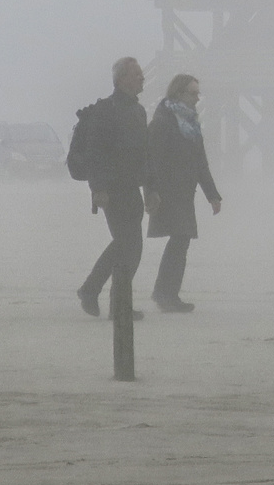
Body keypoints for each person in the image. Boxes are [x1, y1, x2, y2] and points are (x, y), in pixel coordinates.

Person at [72, 57, 156, 320]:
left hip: (131, 188)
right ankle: (103, 297)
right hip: (112, 190)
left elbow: (144, 155)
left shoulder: (138, 111)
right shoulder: (107, 111)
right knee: (127, 245)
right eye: (137, 74)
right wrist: (98, 189)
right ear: (121, 80)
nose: (142, 78)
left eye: (142, 74)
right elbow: (96, 153)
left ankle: (96, 293)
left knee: (130, 247)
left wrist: (150, 189)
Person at [145, 73, 222, 313]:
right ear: (178, 93)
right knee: (180, 238)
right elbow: (151, 160)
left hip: (184, 192)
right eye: (193, 93)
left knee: (181, 240)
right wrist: (150, 191)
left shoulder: (190, 122)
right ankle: (165, 294)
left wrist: (213, 194)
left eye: (198, 93)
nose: (198, 98)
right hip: (167, 191)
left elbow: (201, 162)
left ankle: (167, 293)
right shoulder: (163, 121)